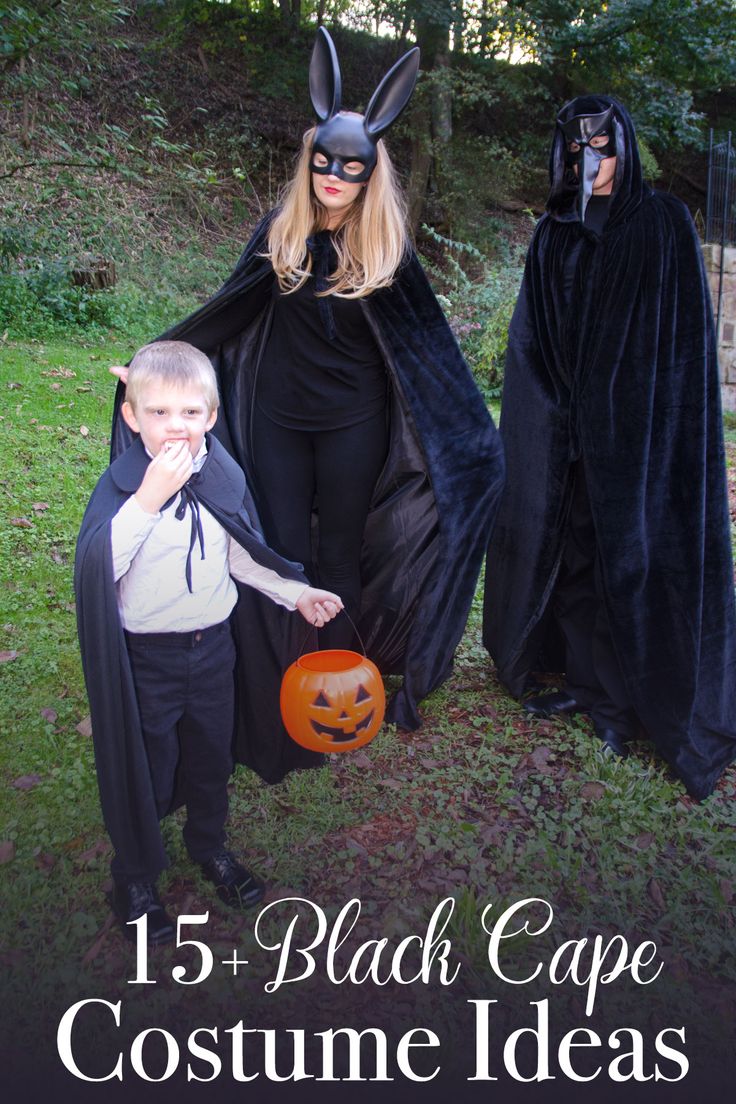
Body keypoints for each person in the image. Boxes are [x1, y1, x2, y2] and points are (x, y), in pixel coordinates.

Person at [110, 27, 504, 784]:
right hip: (280, 423)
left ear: (369, 172)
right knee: (280, 550)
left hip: (354, 425)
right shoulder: (280, 233)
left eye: (349, 169)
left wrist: (472, 442)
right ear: (310, 162)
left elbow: (431, 355)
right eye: (323, 164)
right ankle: (279, 688)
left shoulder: (387, 252)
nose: (332, 178)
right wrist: (155, 367)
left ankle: (337, 678)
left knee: (338, 554)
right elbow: (225, 314)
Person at [483, 95, 736, 800]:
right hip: (569, 429)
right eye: (576, 150)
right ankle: (588, 686)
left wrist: (640, 419)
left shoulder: (662, 223)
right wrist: (550, 418)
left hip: (640, 433)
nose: (589, 160)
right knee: (575, 558)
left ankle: (623, 706)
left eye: (603, 145)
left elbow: (682, 340)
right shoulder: (555, 231)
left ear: (624, 146)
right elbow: (533, 339)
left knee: (633, 565)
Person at [76, 341, 342, 942]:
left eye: (190, 413)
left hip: (213, 649)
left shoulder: (219, 474)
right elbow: (100, 568)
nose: (176, 427)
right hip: (148, 659)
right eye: (160, 413)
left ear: (212, 417)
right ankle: (135, 874)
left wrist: (293, 593)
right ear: (132, 417)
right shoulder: (122, 489)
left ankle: (209, 845)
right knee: (147, 763)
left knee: (208, 757)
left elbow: (241, 554)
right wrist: (148, 500)